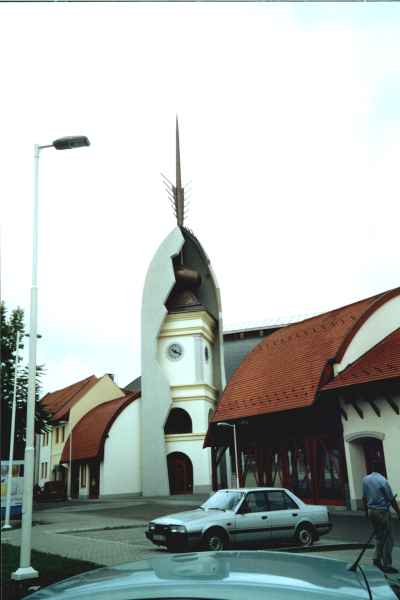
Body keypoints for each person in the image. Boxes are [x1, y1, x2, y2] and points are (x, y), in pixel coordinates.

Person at [362, 461, 400, 574]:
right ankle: (387, 564)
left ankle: (376, 559)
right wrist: (398, 512)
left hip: (371, 511)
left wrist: (366, 511)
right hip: (381, 511)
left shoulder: (366, 479)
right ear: (382, 469)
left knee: (379, 536)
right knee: (388, 538)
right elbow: (391, 499)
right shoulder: (383, 481)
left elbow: (364, 497)